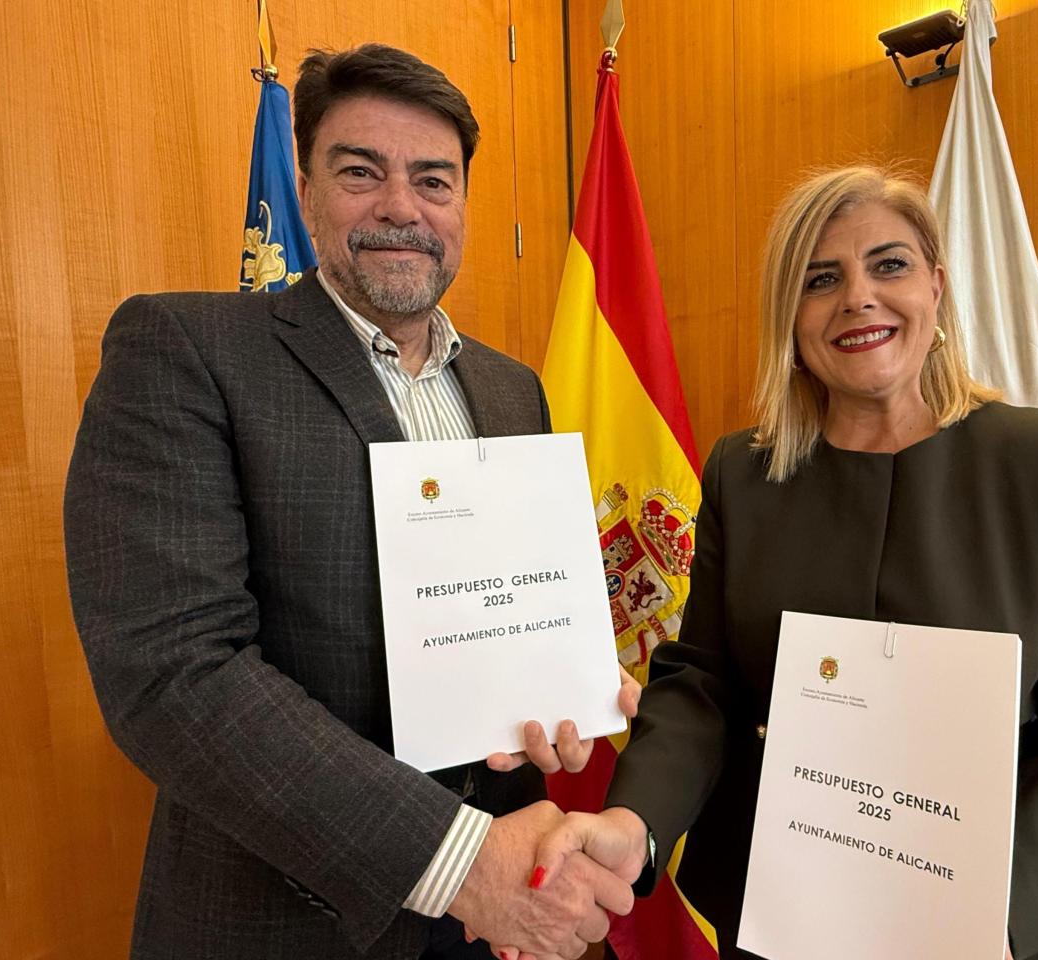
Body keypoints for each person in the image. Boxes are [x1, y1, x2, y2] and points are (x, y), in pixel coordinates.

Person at [525, 166, 1038, 960]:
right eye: (821, 279)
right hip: (785, 926)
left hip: (995, 936)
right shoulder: (746, 473)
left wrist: (981, 913)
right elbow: (703, 686)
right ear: (793, 319)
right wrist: (631, 823)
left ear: (937, 289)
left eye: (890, 264)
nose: (859, 298)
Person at [64, 43, 637, 960]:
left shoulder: (510, 388)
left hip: (502, 908)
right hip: (290, 915)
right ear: (304, 187)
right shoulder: (183, 348)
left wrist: (559, 689)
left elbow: (502, 620)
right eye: (361, 172)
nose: (401, 208)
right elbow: (172, 676)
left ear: (462, 204)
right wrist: (462, 862)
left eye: (433, 180)